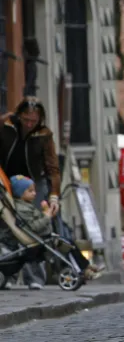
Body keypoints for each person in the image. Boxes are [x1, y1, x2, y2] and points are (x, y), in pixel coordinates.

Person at [0, 97, 61, 288]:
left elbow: (52, 167)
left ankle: (34, 278)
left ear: (40, 119)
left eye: (33, 121)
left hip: (35, 184)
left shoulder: (44, 135)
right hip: (8, 182)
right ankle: (8, 275)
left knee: (36, 227)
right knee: (8, 228)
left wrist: (53, 195)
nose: (29, 124)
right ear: (19, 115)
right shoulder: (5, 125)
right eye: (26, 119)